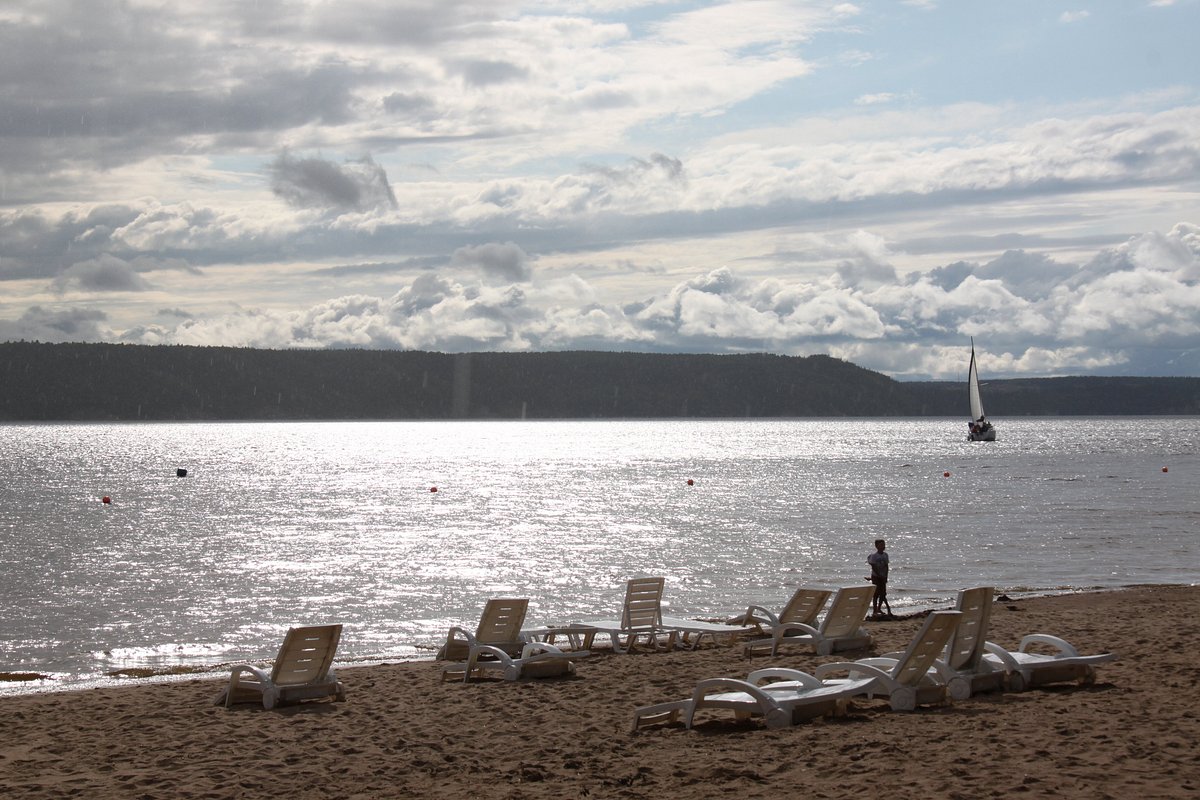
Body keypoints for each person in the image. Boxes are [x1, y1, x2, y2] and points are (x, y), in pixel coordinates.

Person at [866, 538, 892, 618]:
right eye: (881, 545)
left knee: (883, 593)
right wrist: (879, 575)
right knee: (876, 594)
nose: (883, 546)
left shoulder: (885, 555)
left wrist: (886, 576)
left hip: (883, 576)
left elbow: (886, 566)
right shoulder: (874, 556)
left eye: (884, 545)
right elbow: (873, 567)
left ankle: (879, 608)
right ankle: (875, 610)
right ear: (876, 546)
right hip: (876, 576)